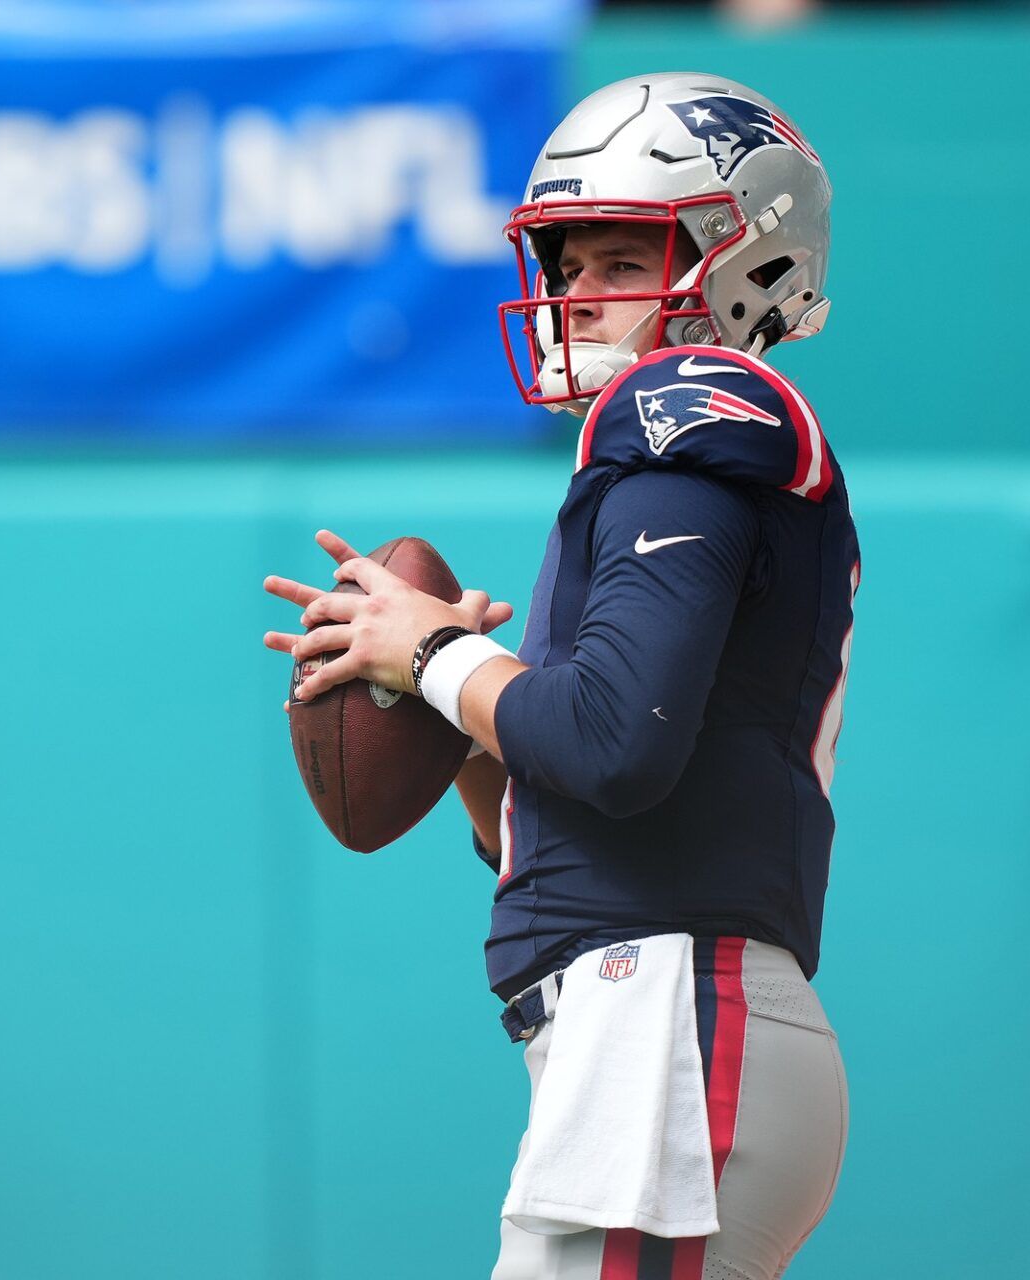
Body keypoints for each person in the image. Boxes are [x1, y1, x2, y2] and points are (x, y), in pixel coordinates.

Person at [262, 72, 856, 1280]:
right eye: (567, 265)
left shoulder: (692, 409)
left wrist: (432, 652)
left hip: (673, 1024)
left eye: (618, 260)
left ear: (741, 255)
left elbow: (614, 744)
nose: (576, 296)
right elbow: (580, 808)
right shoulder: (665, 451)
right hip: (647, 1029)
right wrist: (478, 729)